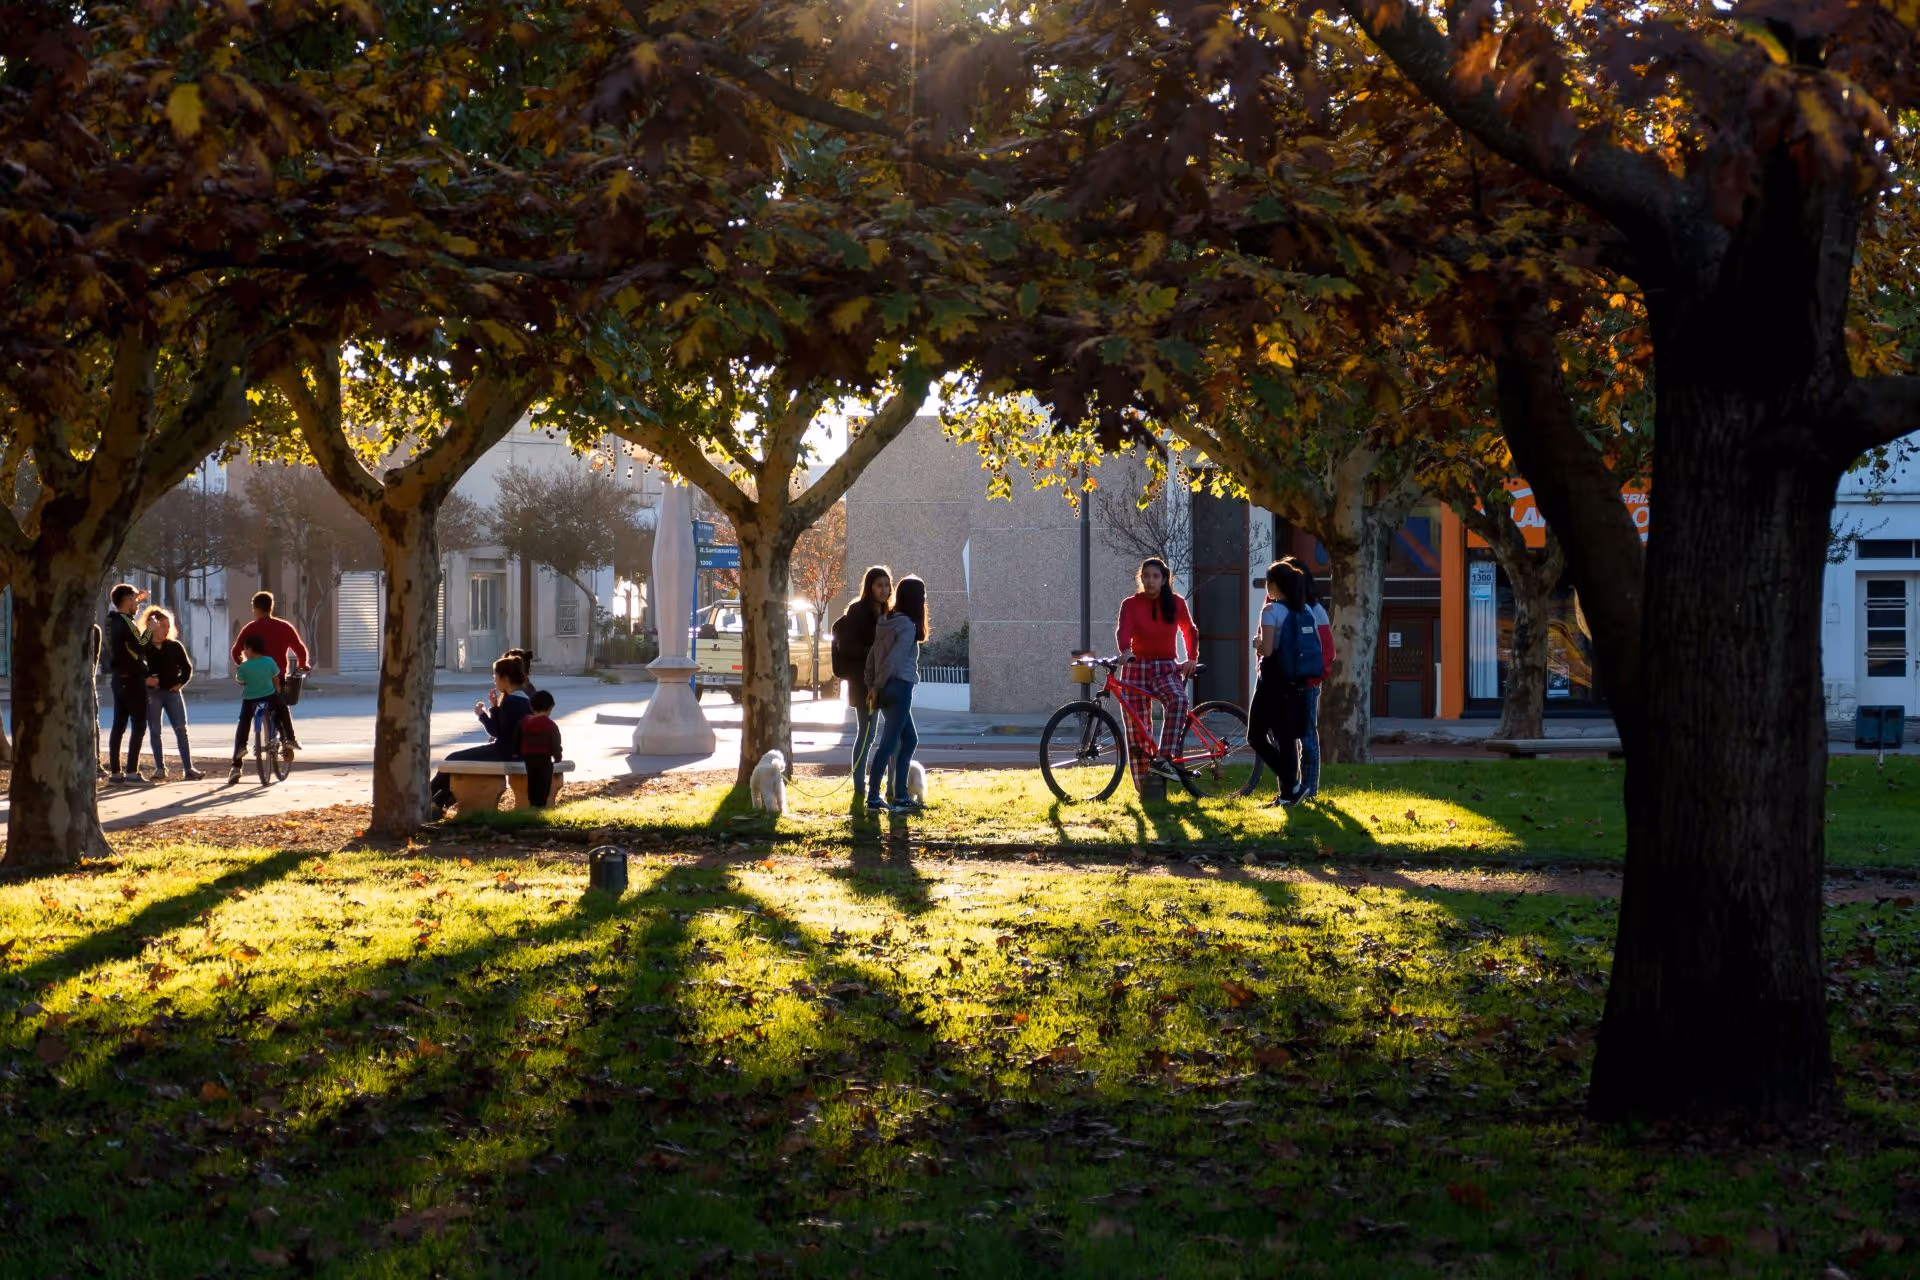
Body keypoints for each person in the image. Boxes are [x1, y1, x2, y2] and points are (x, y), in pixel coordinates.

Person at [1113, 556, 1199, 791]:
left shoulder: (1177, 603)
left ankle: (1163, 759)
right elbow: (1124, 631)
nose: (1150, 581)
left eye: (1156, 577)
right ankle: (1147, 789)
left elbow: (1189, 631)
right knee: (1137, 730)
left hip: (1165, 667)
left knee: (1178, 700)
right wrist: (1126, 650)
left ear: (1164, 580)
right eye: (1146, 576)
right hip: (1135, 666)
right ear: (1141, 579)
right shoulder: (1130, 604)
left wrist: (1192, 657)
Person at [1249, 560, 1314, 806]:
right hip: (1296, 681)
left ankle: (1292, 785)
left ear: (1275, 585)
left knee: (1255, 736)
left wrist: (1256, 642)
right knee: (1286, 738)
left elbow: (1266, 649)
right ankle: (1288, 796)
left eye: (1268, 582)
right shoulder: (1304, 610)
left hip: (1271, 681)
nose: (1267, 587)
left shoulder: (1271, 610)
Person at [429, 657, 532, 812]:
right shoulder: (523, 699)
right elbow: (503, 729)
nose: (494, 680)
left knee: (452, 760)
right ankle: (438, 801)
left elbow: (496, 731)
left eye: (495, 676)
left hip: (504, 752)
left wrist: (482, 715)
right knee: (456, 762)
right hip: (513, 752)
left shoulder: (512, 701)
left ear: (505, 678)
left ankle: (428, 796)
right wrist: (495, 707)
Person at [863, 574, 925, 813]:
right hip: (899, 687)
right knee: (889, 744)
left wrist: (872, 684)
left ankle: (900, 794)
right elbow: (894, 660)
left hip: (887, 687)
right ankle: (874, 796)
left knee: (909, 739)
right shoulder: (908, 626)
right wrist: (876, 686)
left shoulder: (886, 619)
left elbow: (873, 656)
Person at [833, 565, 891, 809]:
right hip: (861, 682)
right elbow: (846, 647)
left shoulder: (885, 611)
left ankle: (868, 784)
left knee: (873, 733)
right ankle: (859, 784)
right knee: (865, 734)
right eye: (880, 585)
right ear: (869, 587)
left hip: (878, 681)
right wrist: (873, 654)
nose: (885, 590)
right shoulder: (859, 610)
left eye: (888, 585)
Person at [1280, 555, 1335, 801]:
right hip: (1283, 683)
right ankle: (1290, 789)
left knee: (1307, 738)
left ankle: (1310, 790)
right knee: (1286, 738)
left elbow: (1327, 649)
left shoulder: (1315, 611)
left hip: (1307, 683)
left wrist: (1317, 676)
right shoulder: (1279, 609)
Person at [230, 591, 309, 754]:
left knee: (245, 715)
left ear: (256, 609)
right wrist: (302, 665)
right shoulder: (284, 627)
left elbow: (235, 651)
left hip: (254, 679)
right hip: (277, 677)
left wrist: (244, 665)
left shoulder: (250, 628)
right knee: (281, 706)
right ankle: (289, 739)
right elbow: (300, 649)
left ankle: (239, 754)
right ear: (271, 608)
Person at [139, 606, 203, 782]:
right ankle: (160, 768)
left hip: (172, 694)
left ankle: (188, 768)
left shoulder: (174, 646)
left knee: (181, 729)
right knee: (154, 730)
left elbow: (187, 668)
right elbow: (136, 667)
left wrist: (180, 683)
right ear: (152, 626)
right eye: (163, 626)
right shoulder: (145, 648)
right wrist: (145, 680)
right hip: (153, 694)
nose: (166, 630)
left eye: (169, 626)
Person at [227, 632, 297, 785]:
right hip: (269, 697)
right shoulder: (269, 661)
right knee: (282, 710)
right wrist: (277, 691)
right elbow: (275, 679)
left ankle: (241, 747)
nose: (244, 652)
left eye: (245, 649)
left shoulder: (244, 666)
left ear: (250, 650)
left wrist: (243, 668)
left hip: (250, 700)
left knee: (244, 720)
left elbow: (241, 681)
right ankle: (290, 739)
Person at [104, 583, 152, 784]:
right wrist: (149, 630)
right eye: (134, 600)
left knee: (119, 725)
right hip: (133, 680)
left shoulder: (114, 621)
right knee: (139, 724)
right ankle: (132, 771)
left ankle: (116, 772)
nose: (137, 604)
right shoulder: (127, 623)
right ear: (126, 600)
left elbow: (126, 605)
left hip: (118, 679)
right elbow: (140, 646)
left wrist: (137, 598)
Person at [516, 689, 563, 807]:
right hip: (544, 759)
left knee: (532, 781)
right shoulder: (551, 725)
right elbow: (555, 743)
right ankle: (541, 803)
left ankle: (533, 802)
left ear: (531, 707)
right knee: (544, 782)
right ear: (550, 707)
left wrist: (516, 752)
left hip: (528, 758)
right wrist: (557, 756)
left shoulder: (524, 722)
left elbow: (517, 737)